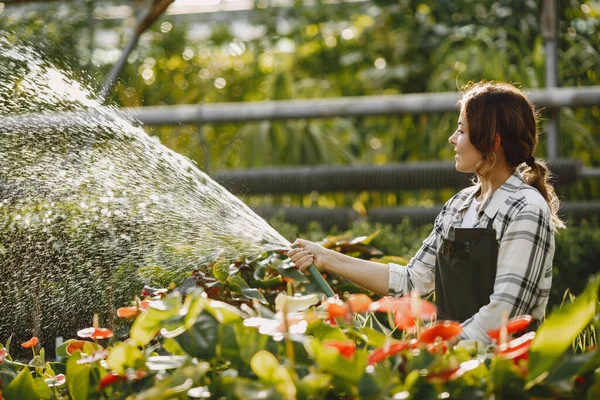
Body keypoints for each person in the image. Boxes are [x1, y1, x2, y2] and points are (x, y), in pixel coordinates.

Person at [288, 81, 565, 343]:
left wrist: (433, 348)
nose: (452, 139)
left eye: (462, 130)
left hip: (501, 375)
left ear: (492, 143)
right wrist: (325, 258)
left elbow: (505, 314)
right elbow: (411, 281)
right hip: (451, 368)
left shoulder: (526, 209)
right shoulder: (459, 206)